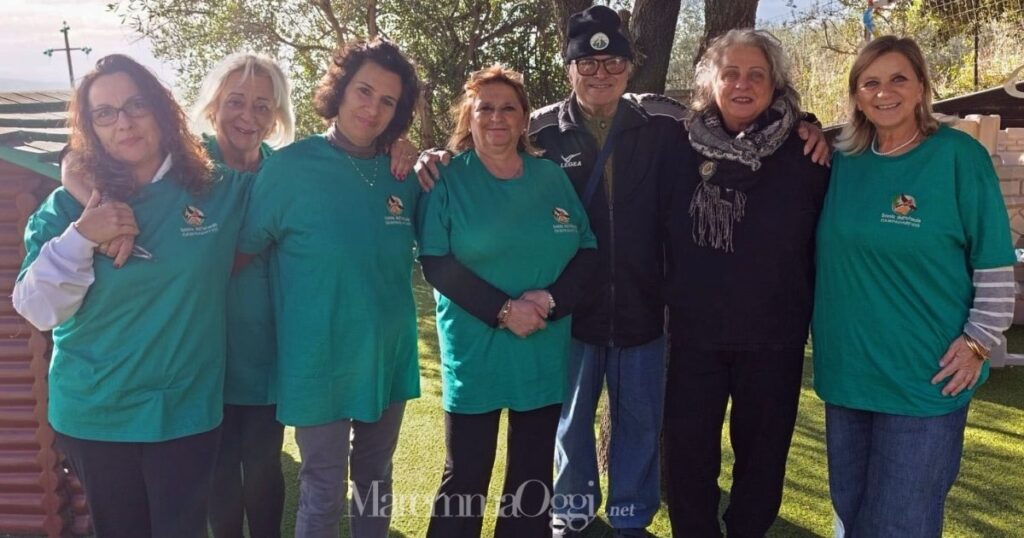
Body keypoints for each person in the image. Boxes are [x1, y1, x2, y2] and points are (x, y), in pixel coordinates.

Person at [413, 7, 829, 537]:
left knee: (639, 423)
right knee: (568, 427)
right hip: (566, 312)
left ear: (630, 68)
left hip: (643, 305)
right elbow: (484, 142)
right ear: (569, 68)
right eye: (587, 61)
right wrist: (433, 155)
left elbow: (734, 130)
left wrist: (805, 124)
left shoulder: (666, 127)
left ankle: (631, 518)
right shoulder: (539, 130)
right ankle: (573, 515)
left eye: (612, 61)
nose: (600, 72)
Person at [12, 54, 251, 538]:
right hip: (97, 416)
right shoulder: (65, 208)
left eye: (136, 105)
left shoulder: (214, 189)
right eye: (105, 113)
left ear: (162, 111)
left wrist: (403, 152)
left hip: (186, 411)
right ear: (92, 129)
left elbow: (286, 172)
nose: (124, 122)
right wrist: (83, 235)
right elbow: (37, 309)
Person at [813, 35, 1015, 537]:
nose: (885, 92)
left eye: (898, 78)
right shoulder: (842, 161)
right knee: (851, 511)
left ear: (922, 85)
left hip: (925, 376)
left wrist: (977, 343)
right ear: (856, 94)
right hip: (848, 374)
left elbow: (994, 261)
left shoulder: (957, 157)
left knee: (902, 522)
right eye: (871, 82)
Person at [236, 38, 422, 538]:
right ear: (339, 90)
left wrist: (429, 155)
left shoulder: (406, 173)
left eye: (388, 100)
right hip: (316, 358)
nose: (373, 108)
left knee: (375, 479)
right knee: (321, 486)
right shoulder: (288, 169)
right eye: (364, 91)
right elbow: (238, 257)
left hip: (388, 352)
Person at [661, 29, 829, 538]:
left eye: (757, 74)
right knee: (688, 457)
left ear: (775, 85)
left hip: (773, 339)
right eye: (730, 72)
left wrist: (814, 126)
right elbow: (610, 102)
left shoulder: (809, 155)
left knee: (762, 460)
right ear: (710, 81)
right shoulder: (675, 147)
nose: (742, 83)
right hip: (692, 337)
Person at [417, 64, 597, 538]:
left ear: (524, 120)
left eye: (508, 108)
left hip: (541, 348)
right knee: (466, 477)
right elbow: (436, 262)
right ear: (469, 118)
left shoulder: (551, 178)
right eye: (485, 108)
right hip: (476, 353)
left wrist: (553, 299)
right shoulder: (447, 179)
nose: (497, 117)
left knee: (532, 480)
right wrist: (504, 310)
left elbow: (587, 249)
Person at [189, 52, 294, 538]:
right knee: (218, 475)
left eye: (262, 105)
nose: (247, 117)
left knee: (265, 468)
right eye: (235, 101)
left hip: (270, 354)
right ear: (213, 106)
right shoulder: (185, 168)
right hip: (201, 355)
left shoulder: (287, 170)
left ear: (277, 115)